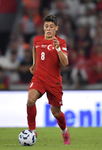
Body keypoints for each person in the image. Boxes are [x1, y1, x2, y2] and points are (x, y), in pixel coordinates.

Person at [26, 15, 70, 145]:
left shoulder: (60, 42)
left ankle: (64, 131)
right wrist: (34, 63)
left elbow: (65, 62)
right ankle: (32, 131)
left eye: (51, 27)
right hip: (39, 78)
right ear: (43, 28)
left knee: (56, 112)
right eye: (46, 26)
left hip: (54, 81)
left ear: (56, 28)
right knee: (30, 100)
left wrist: (57, 48)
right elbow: (35, 49)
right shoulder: (37, 40)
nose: (48, 29)